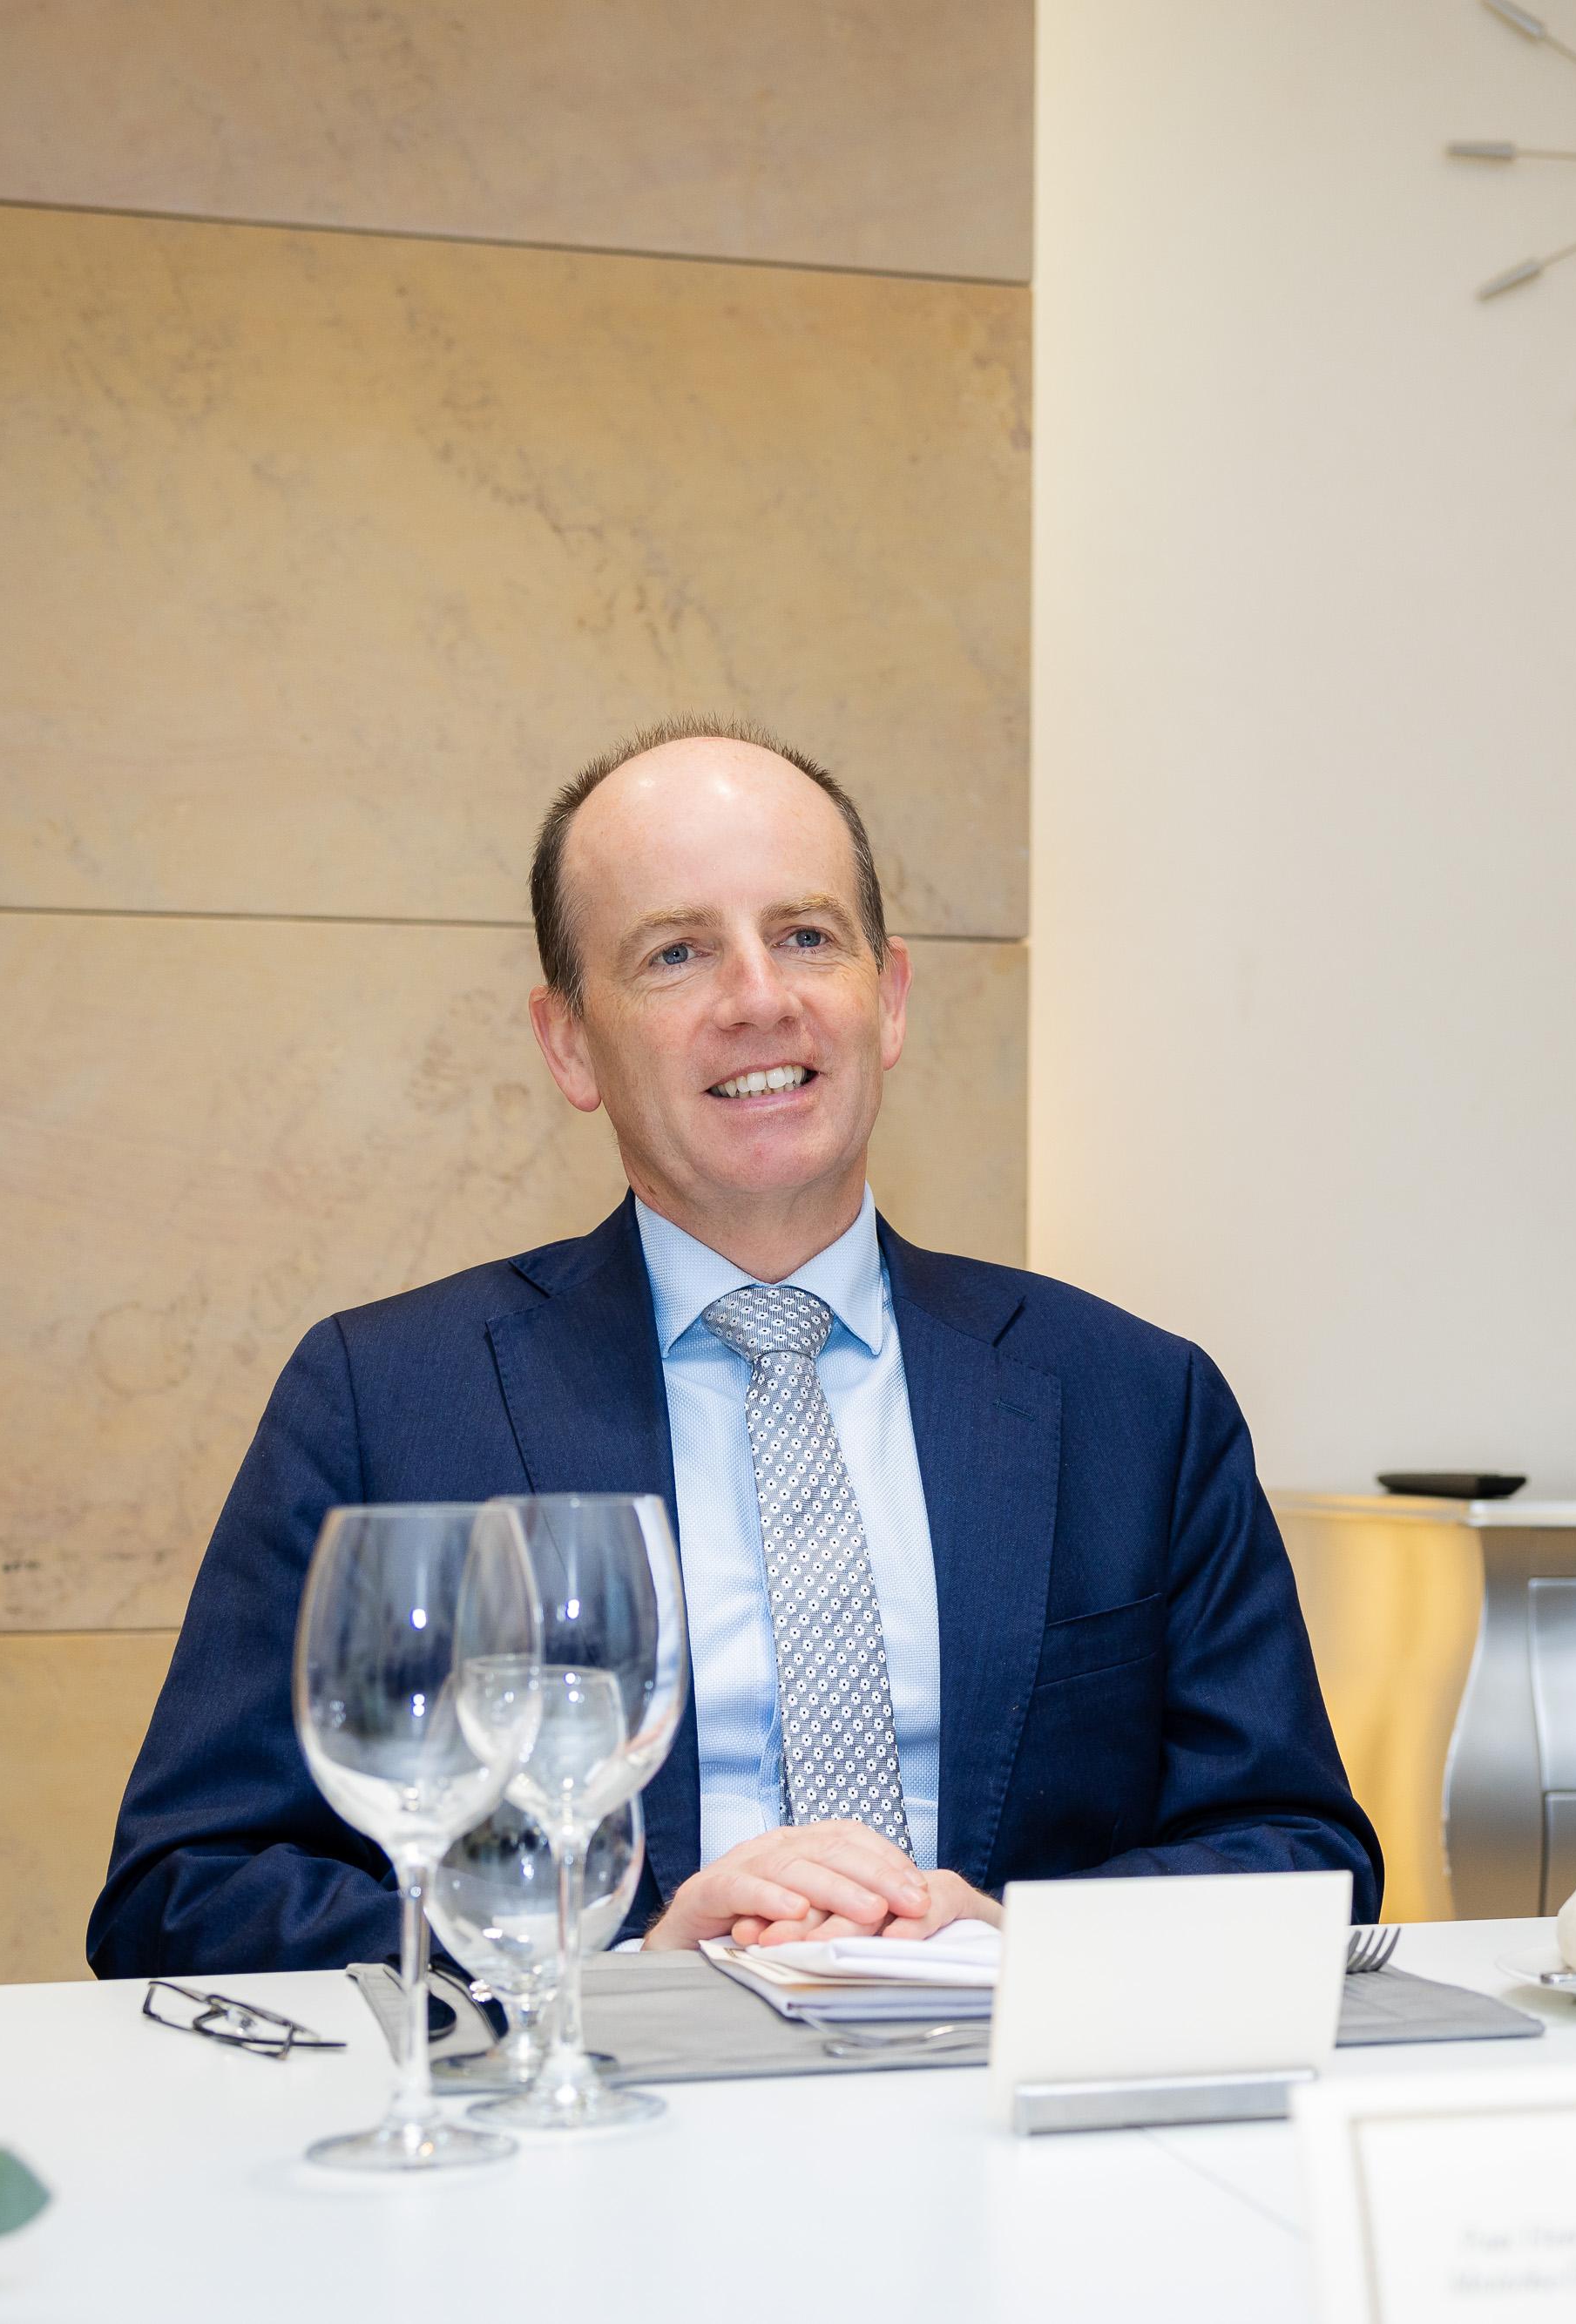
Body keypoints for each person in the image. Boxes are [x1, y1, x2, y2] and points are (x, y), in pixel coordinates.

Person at [89, 723, 1378, 1976]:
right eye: (676, 953)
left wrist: (1014, 1943)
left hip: (1006, 2096)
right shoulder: (385, 1399)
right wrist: (610, 1965)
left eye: (807, 936)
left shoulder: (1135, 1401)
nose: (760, 1000)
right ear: (570, 1044)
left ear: (889, 1001)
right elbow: (187, 1888)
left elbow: (1298, 1849)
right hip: (598, 2104)